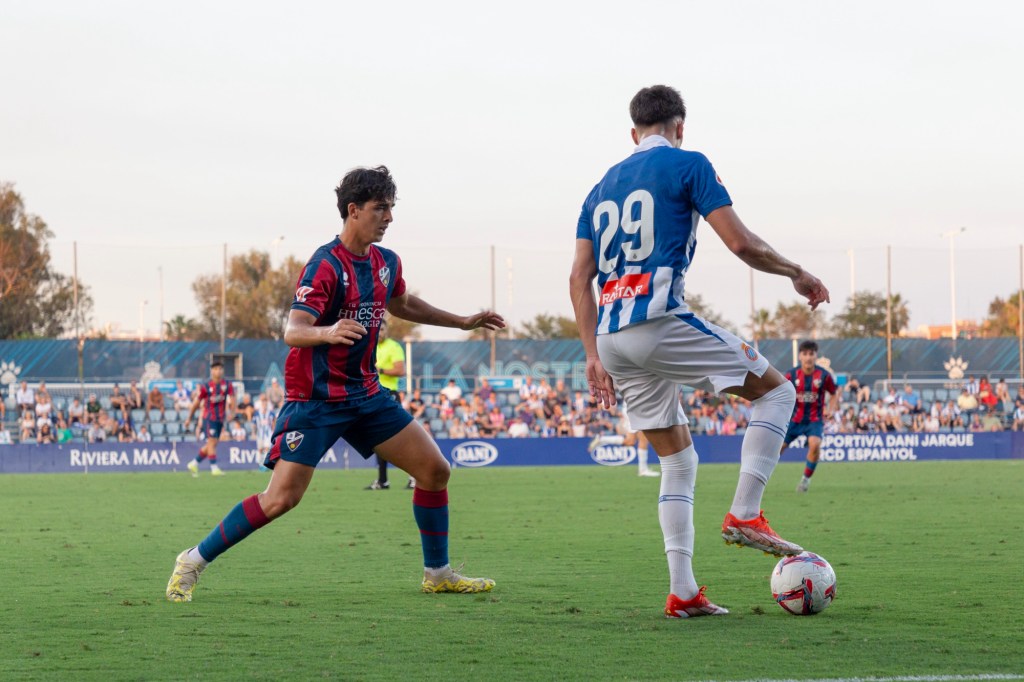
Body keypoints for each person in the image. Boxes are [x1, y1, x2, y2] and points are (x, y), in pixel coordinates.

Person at [166, 165, 504, 603]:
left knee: (435, 471)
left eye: (391, 208)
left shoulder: (386, 263)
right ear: (353, 210)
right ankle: (192, 559)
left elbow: (401, 303)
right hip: (317, 400)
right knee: (281, 499)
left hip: (365, 395)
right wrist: (326, 332)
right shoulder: (325, 265)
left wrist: (461, 322)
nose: (389, 217)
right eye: (381, 208)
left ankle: (437, 574)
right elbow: (294, 330)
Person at [568, 85, 829, 619]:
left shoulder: (598, 190)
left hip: (613, 339)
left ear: (632, 132)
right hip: (659, 319)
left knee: (678, 461)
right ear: (680, 127)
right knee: (778, 393)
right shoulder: (688, 164)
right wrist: (796, 272)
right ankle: (745, 513)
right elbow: (740, 243)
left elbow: (578, 277)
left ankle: (684, 591)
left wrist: (592, 354)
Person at [780, 341, 839, 493]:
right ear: (800, 356)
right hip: (793, 420)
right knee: (776, 449)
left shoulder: (824, 376)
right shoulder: (791, 375)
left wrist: (831, 409)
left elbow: (833, 393)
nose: (808, 357)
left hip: (814, 420)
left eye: (811, 354)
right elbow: (779, 392)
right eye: (805, 354)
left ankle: (805, 481)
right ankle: (760, 479)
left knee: (815, 444)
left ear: (815, 356)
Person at [367, 318, 408, 490]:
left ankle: (415, 476)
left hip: (389, 394)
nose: (379, 332)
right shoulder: (369, 346)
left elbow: (401, 370)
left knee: (400, 439)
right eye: (377, 329)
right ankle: (383, 480)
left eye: (382, 329)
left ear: (386, 330)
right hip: (372, 395)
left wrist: (381, 370)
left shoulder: (394, 347)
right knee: (377, 441)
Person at [183, 361, 235, 477]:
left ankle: (194, 463)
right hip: (209, 417)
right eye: (216, 369)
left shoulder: (227, 384)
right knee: (211, 442)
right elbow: (196, 403)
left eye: (220, 369)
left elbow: (233, 398)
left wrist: (232, 412)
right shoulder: (206, 386)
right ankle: (214, 468)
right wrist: (189, 418)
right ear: (212, 371)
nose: (218, 371)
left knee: (213, 444)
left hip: (220, 418)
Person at [587, 400, 660, 477]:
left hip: (631, 408)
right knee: (643, 439)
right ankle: (643, 469)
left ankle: (601, 439)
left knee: (630, 441)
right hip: (635, 408)